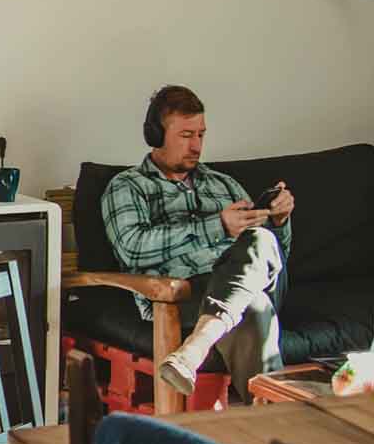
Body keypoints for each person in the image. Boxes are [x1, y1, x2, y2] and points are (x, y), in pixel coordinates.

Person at [101, 85, 295, 402]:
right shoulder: (128, 186)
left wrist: (279, 221)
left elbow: (275, 258)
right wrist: (216, 226)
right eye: (186, 135)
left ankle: (196, 347)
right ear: (156, 134)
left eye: (201, 135)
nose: (196, 146)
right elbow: (131, 247)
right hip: (185, 295)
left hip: (246, 281)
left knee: (260, 238)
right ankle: (277, 428)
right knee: (255, 306)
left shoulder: (224, 184)